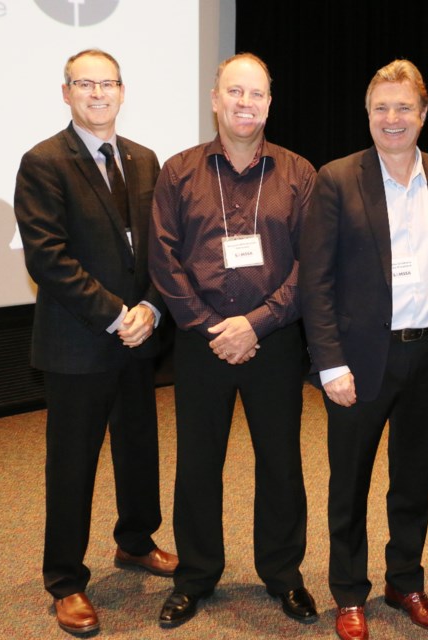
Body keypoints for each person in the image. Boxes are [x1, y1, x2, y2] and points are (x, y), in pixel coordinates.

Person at [299, 59, 428, 640]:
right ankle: (349, 591)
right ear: (368, 114)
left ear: (424, 114)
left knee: (414, 479)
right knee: (348, 482)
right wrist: (329, 362)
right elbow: (316, 281)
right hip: (358, 359)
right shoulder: (337, 178)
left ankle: (405, 581)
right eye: (382, 107)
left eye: (404, 107)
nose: (392, 118)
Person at [148, 53, 317, 628]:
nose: (245, 103)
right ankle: (195, 575)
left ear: (270, 103)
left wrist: (259, 322)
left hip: (275, 342)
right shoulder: (178, 172)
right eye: (234, 93)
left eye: (257, 94)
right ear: (215, 99)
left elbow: (311, 266)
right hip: (202, 343)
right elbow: (163, 259)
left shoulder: (299, 173)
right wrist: (208, 325)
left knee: (280, 463)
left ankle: (283, 574)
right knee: (197, 463)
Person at [14, 48, 177, 636]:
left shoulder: (144, 159)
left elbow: (162, 246)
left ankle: (135, 541)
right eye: (85, 84)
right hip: (79, 341)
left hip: (140, 336)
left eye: (107, 83)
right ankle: (65, 580)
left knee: (139, 449)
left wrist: (153, 309)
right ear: (66, 93)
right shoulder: (43, 161)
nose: (98, 94)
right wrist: (116, 315)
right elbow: (48, 258)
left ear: (122, 91)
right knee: (72, 464)